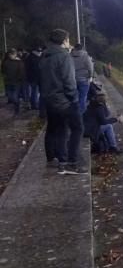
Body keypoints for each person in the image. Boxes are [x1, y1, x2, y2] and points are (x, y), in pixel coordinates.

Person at [40, 29, 87, 175]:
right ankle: (72, 162)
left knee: (59, 130)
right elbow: (69, 81)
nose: (69, 42)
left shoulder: (45, 55)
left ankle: (62, 162)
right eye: (68, 39)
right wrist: (74, 99)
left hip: (49, 100)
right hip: (64, 101)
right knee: (78, 128)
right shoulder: (64, 56)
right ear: (63, 41)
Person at [71, 43, 94, 114]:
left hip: (73, 80)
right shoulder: (85, 56)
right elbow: (90, 68)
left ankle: (74, 112)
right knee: (83, 97)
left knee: (75, 97)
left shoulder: (69, 56)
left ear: (74, 48)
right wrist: (90, 77)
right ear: (82, 48)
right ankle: (80, 114)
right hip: (84, 80)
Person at [2, 49, 25, 115]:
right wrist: (5, 77)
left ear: (15, 54)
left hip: (16, 83)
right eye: (10, 54)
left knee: (15, 97)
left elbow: (22, 73)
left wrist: (18, 79)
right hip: (8, 82)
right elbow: (3, 70)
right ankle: (17, 104)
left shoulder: (19, 62)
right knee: (10, 95)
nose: (11, 55)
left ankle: (17, 110)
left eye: (12, 54)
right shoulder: (6, 62)